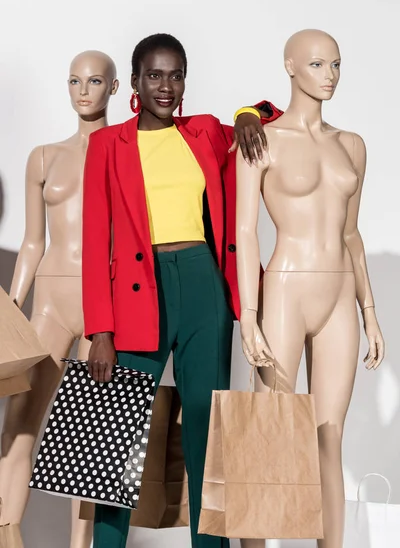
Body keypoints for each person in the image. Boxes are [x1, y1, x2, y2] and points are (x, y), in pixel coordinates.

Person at [82, 32, 281, 548]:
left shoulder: (204, 133)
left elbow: (271, 108)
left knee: (206, 433)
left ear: (185, 80)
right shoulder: (108, 144)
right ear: (134, 82)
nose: (165, 86)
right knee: (115, 443)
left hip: (201, 286)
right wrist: (100, 329)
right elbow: (93, 236)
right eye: (155, 75)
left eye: (175, 75)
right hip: (134, 294)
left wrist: (244, 114)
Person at [236, 29, 385, 548]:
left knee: (329, 437)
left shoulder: (353, 147)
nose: (330, 76)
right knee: (269, 431)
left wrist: (370, 310)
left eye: (337, 65)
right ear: (290, 66)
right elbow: (245, 231)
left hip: (340, 293)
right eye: (319, 65)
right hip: (285, 290)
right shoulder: (259, 140)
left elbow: (351, 234)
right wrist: (248, 315)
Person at [0, 50, 118, 548]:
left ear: (114, 88)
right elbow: (32, 241)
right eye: (74, 80)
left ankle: (81, 545)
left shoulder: (126, 153)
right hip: (48, 297)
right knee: (21, 419)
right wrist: (11, 306)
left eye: (94, 80)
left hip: (102, 302)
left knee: (90, 438)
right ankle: (7, 531)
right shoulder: (44, 156)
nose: (82, 90)